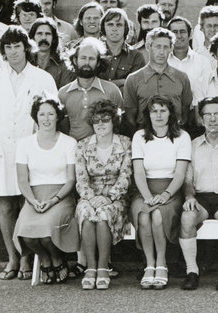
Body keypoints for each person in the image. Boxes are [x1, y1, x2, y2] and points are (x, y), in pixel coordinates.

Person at [0, 25, 58, 280]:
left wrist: (39, 144)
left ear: (26, 48)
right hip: (3, 151)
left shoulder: (43, 79)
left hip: (34, 152)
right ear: (3, 51)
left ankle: (26, 258)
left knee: (29, 204)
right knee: (7, 206)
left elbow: (51, 114)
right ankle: (12, 258)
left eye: (17, 46)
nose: (13, 52)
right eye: (8, 47)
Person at [179, 96, 218, 291]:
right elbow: (188, 180)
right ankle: (192, 271)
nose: (212, 119)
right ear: (201, 119)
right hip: (201, 197)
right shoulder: (191, 145)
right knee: (187, 217)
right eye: (207, 114)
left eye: (217, 114)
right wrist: (189, 197)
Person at [13, 96, 79, 285]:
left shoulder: (69, 143)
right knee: (27, 233)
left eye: (51, 114)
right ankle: (45, 259)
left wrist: (54, 200)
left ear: (58, 116)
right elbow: (22, 180)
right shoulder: (25, 144)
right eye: (42, 114)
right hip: (34, 197)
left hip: (60, 196)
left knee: (47, 230)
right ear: (36, 117)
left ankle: (57, 259)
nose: (47, 118)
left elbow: (71, 179)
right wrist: (32, 201)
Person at [130, 94, 191, 290]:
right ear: (148, 114)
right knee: (143, 215)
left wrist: (165, 195)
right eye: (154, 110)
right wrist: (147, 197)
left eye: (163, 110)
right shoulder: (139, 136)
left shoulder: (182, 137)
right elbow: (138, 172)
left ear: (170, 113)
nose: (158, 115)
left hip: (171, 190)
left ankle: (162, 264)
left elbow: (180, 173)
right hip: (144, 189)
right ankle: (149, 264)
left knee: (157, 215)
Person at [74, 99, 131, 290]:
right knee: (87, 214)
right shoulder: (82, 146)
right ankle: (91, 268)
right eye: (96, 120)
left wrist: (109, 197)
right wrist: (91, 198)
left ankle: (103, 267)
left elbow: (126, 176)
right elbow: (81, 178)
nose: (100, 124)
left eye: (105, 120)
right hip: (89, 196)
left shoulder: (125, 143)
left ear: (114, 121)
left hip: (116, 197)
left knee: (104, 214)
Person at [122, 28, 193, 132]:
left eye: (165, 47)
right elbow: (130, 117)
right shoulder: (133, 79)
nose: (161, 52)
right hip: (144, 136)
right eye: (157, 47)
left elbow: (185, 113)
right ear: (147, 47)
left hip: (175, 136)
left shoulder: (182, 78)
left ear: (171, 48)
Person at [58, 38, 124, 141]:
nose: (87, 63)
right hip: (73, 151)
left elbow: (121, 126)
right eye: (83, 58)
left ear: (98, 62)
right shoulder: (63, 93)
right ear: (75, 60)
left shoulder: (112, 91)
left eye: (91, 59)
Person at [99, 8, 146, 88]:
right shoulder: (96, 53)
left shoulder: (136, 56)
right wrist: (122, 81)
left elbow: (135, 86)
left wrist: (103, 84)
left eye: (119, 25)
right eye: (110, 24)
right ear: (104, 27)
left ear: (125, 28)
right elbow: (89, 83)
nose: (114, 29)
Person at [166, 16, 214, 89]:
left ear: (190, 34)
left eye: (182, 31)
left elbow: (208, 90)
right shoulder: (163, 61)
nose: (179, 36)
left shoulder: (203, 62)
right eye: (174, 32)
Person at [29, 18, 74, 88]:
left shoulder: (63, 65)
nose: (43, 38)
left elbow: (65, 94)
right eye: (39, 34)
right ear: (33, 37)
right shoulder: (26, 61)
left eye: (48, 34)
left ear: (54, 39)